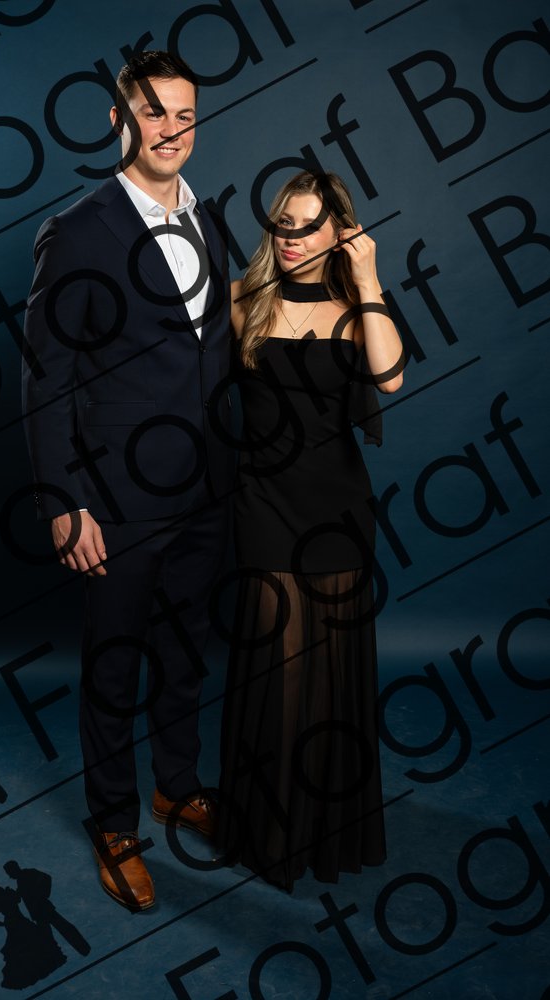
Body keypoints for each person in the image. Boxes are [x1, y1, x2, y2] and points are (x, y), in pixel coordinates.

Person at [22, 51, 231, 911]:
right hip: (115, 498)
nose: (170, 129)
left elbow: (216, 345)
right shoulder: (77, 230)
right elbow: (44, 376)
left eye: (183, 114)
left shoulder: (210, 217)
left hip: (207, 488)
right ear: (119, 120)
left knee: (184, 653)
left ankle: (175, 787)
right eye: (152, 112)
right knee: (114, 665)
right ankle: (114, 824)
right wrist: (63, 502)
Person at [216, 170, 404, 891]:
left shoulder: (358, 310)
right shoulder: (242, 299)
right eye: (283, 223)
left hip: (337, 511)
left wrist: (369, 274)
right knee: (280, 668)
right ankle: (270, 835)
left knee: (330, 674)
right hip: (264, 504)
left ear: (339, 232)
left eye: (309, 225)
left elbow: (389, 377)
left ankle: (326, 834)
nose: (291, 237)